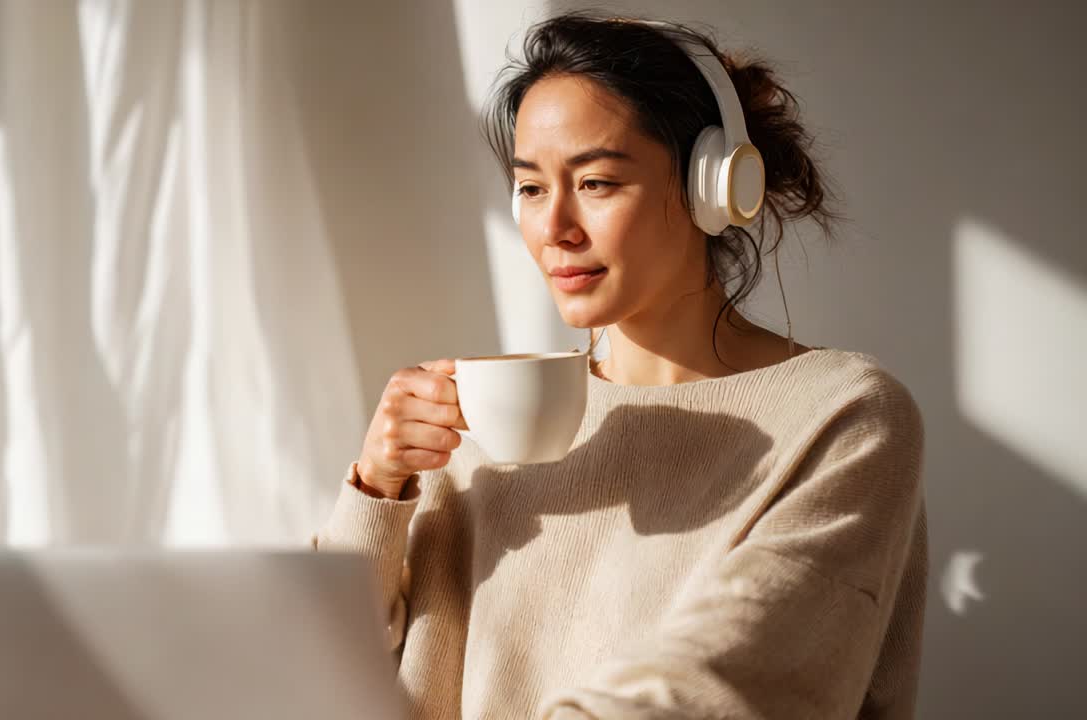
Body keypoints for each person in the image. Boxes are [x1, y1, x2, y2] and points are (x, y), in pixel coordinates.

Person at [312, 11, 927, 719]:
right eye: (532, 188)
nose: (554, 229)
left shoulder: (844, 416)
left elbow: (723, 690)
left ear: (712, 187)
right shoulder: (483, 421)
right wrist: (377, 491)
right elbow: (322, 666)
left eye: (597, 182)